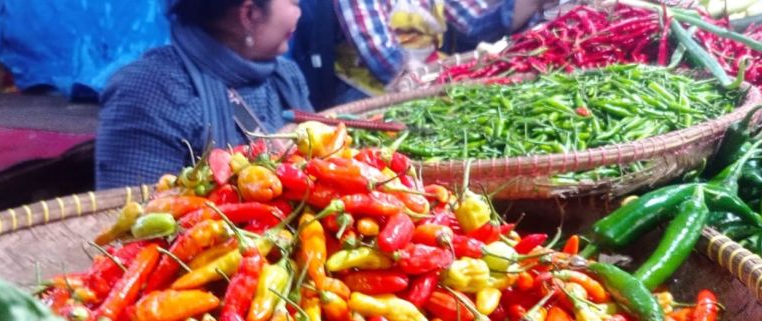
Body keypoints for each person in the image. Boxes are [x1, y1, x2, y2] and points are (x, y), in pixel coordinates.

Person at [95, 0, 311, 189]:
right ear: (249, 14)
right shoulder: (150, 91)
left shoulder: (285, 77)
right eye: (295, 2)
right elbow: (132, 218)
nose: (300, 13)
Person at [332, 0, 548, 104]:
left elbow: (476, 23)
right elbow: (382, 56)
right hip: (368, 93)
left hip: (425, 79)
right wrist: (426, 81)